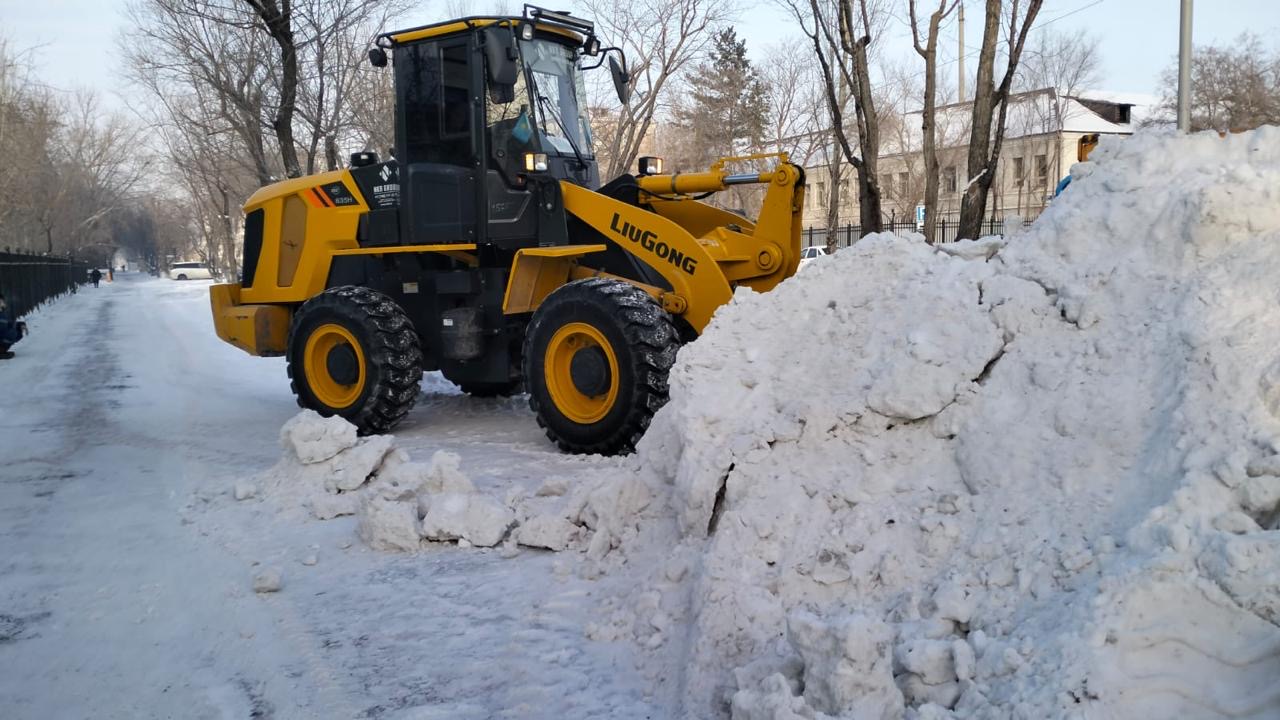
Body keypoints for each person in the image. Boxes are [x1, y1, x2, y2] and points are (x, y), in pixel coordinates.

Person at [0, 291, 27, 360]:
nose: (2, 303)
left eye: (2, 301)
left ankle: (2, 350)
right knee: (11, 333)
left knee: (15, 331)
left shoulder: (2, 315)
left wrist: (20, 325)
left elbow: (10, 323)